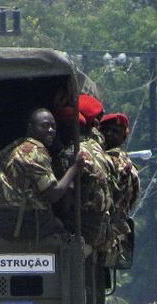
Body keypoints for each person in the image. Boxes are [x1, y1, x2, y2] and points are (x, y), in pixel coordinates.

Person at [0, 108, 80, 241]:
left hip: (4, 223)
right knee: (64, 228)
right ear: (30, 128)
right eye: (44, 126)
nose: (51, 130)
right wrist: (74, 168)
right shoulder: (35, 151)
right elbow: (53, 194)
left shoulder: (8, 150)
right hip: (29, 224)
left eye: (53, 126)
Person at [54, 97, 115, 251]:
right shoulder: (98, 149)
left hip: (82, 228)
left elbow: (67, 195)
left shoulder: (70, 154)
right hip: (102, 228)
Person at [99, 112, 140, 260]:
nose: (109, 134)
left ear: (123, 137)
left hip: (108, 231)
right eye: (106, 130)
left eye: (115, 132)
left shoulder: (112, 162)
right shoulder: (127, 164)